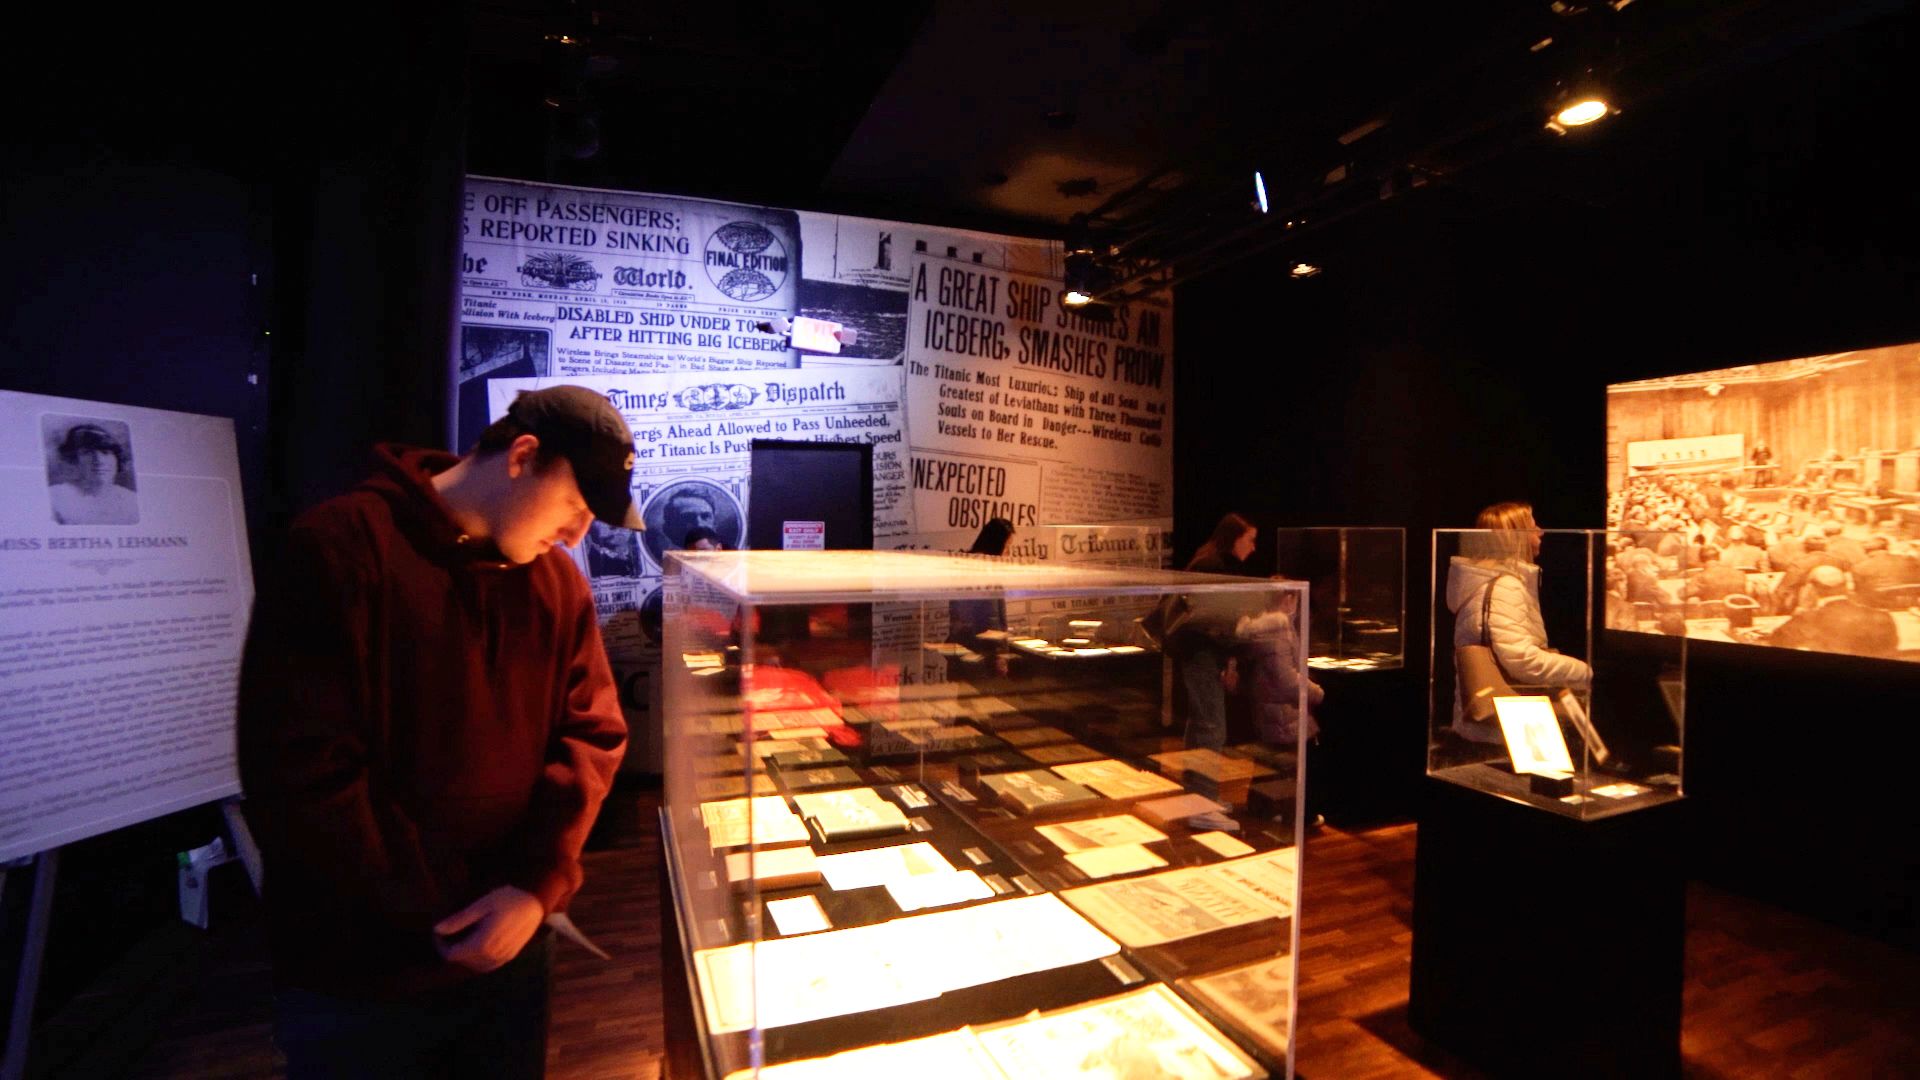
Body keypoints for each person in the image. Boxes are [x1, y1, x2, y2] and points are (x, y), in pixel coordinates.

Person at [238, 385, 633, 1079]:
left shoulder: (557, 586)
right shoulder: (340, 548)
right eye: (573, 506)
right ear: (522, 456)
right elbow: (301, 772)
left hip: (511, 946)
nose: (575, 534)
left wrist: (533, 888)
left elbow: (592, 735)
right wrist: (441, 917)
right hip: (362, 967)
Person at [1445, 501, 1592, 744]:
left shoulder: (1489, 582)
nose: (1541, 532)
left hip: (1488, 729)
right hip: (1501, 733)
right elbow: (1522, 660)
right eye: (1533, 527)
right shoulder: (1506, 586)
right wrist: (1583, 672)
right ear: (1516, 537)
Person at [1766, 565, 1898, 657]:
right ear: (1847, 586)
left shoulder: (1807, 619)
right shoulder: (1883, 616)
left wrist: (1804, 609)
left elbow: (1776, 641)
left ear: (1813, 589)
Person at [47, 423, 139, 525]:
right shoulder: (55, 498)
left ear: (117, 459)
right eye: (87, 453)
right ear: (74, 459)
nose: (98, 461)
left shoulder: (132, 500)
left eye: (105, 452)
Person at [1850, 535, 1920, 609]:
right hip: (1912, 602)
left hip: (1881, 605)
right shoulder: (1909, 560)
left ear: (1864, 551)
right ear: (1887, 548)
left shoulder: (1860, 567)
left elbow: (1859, 592)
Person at [1686, 547, 1750, 605]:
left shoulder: (1700, 577)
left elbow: (1683, 595)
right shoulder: (1739, 574)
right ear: (1719, 557)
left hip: (1712, 615)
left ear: (1701, 560)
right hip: (1737, 614)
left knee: (1692, 600)